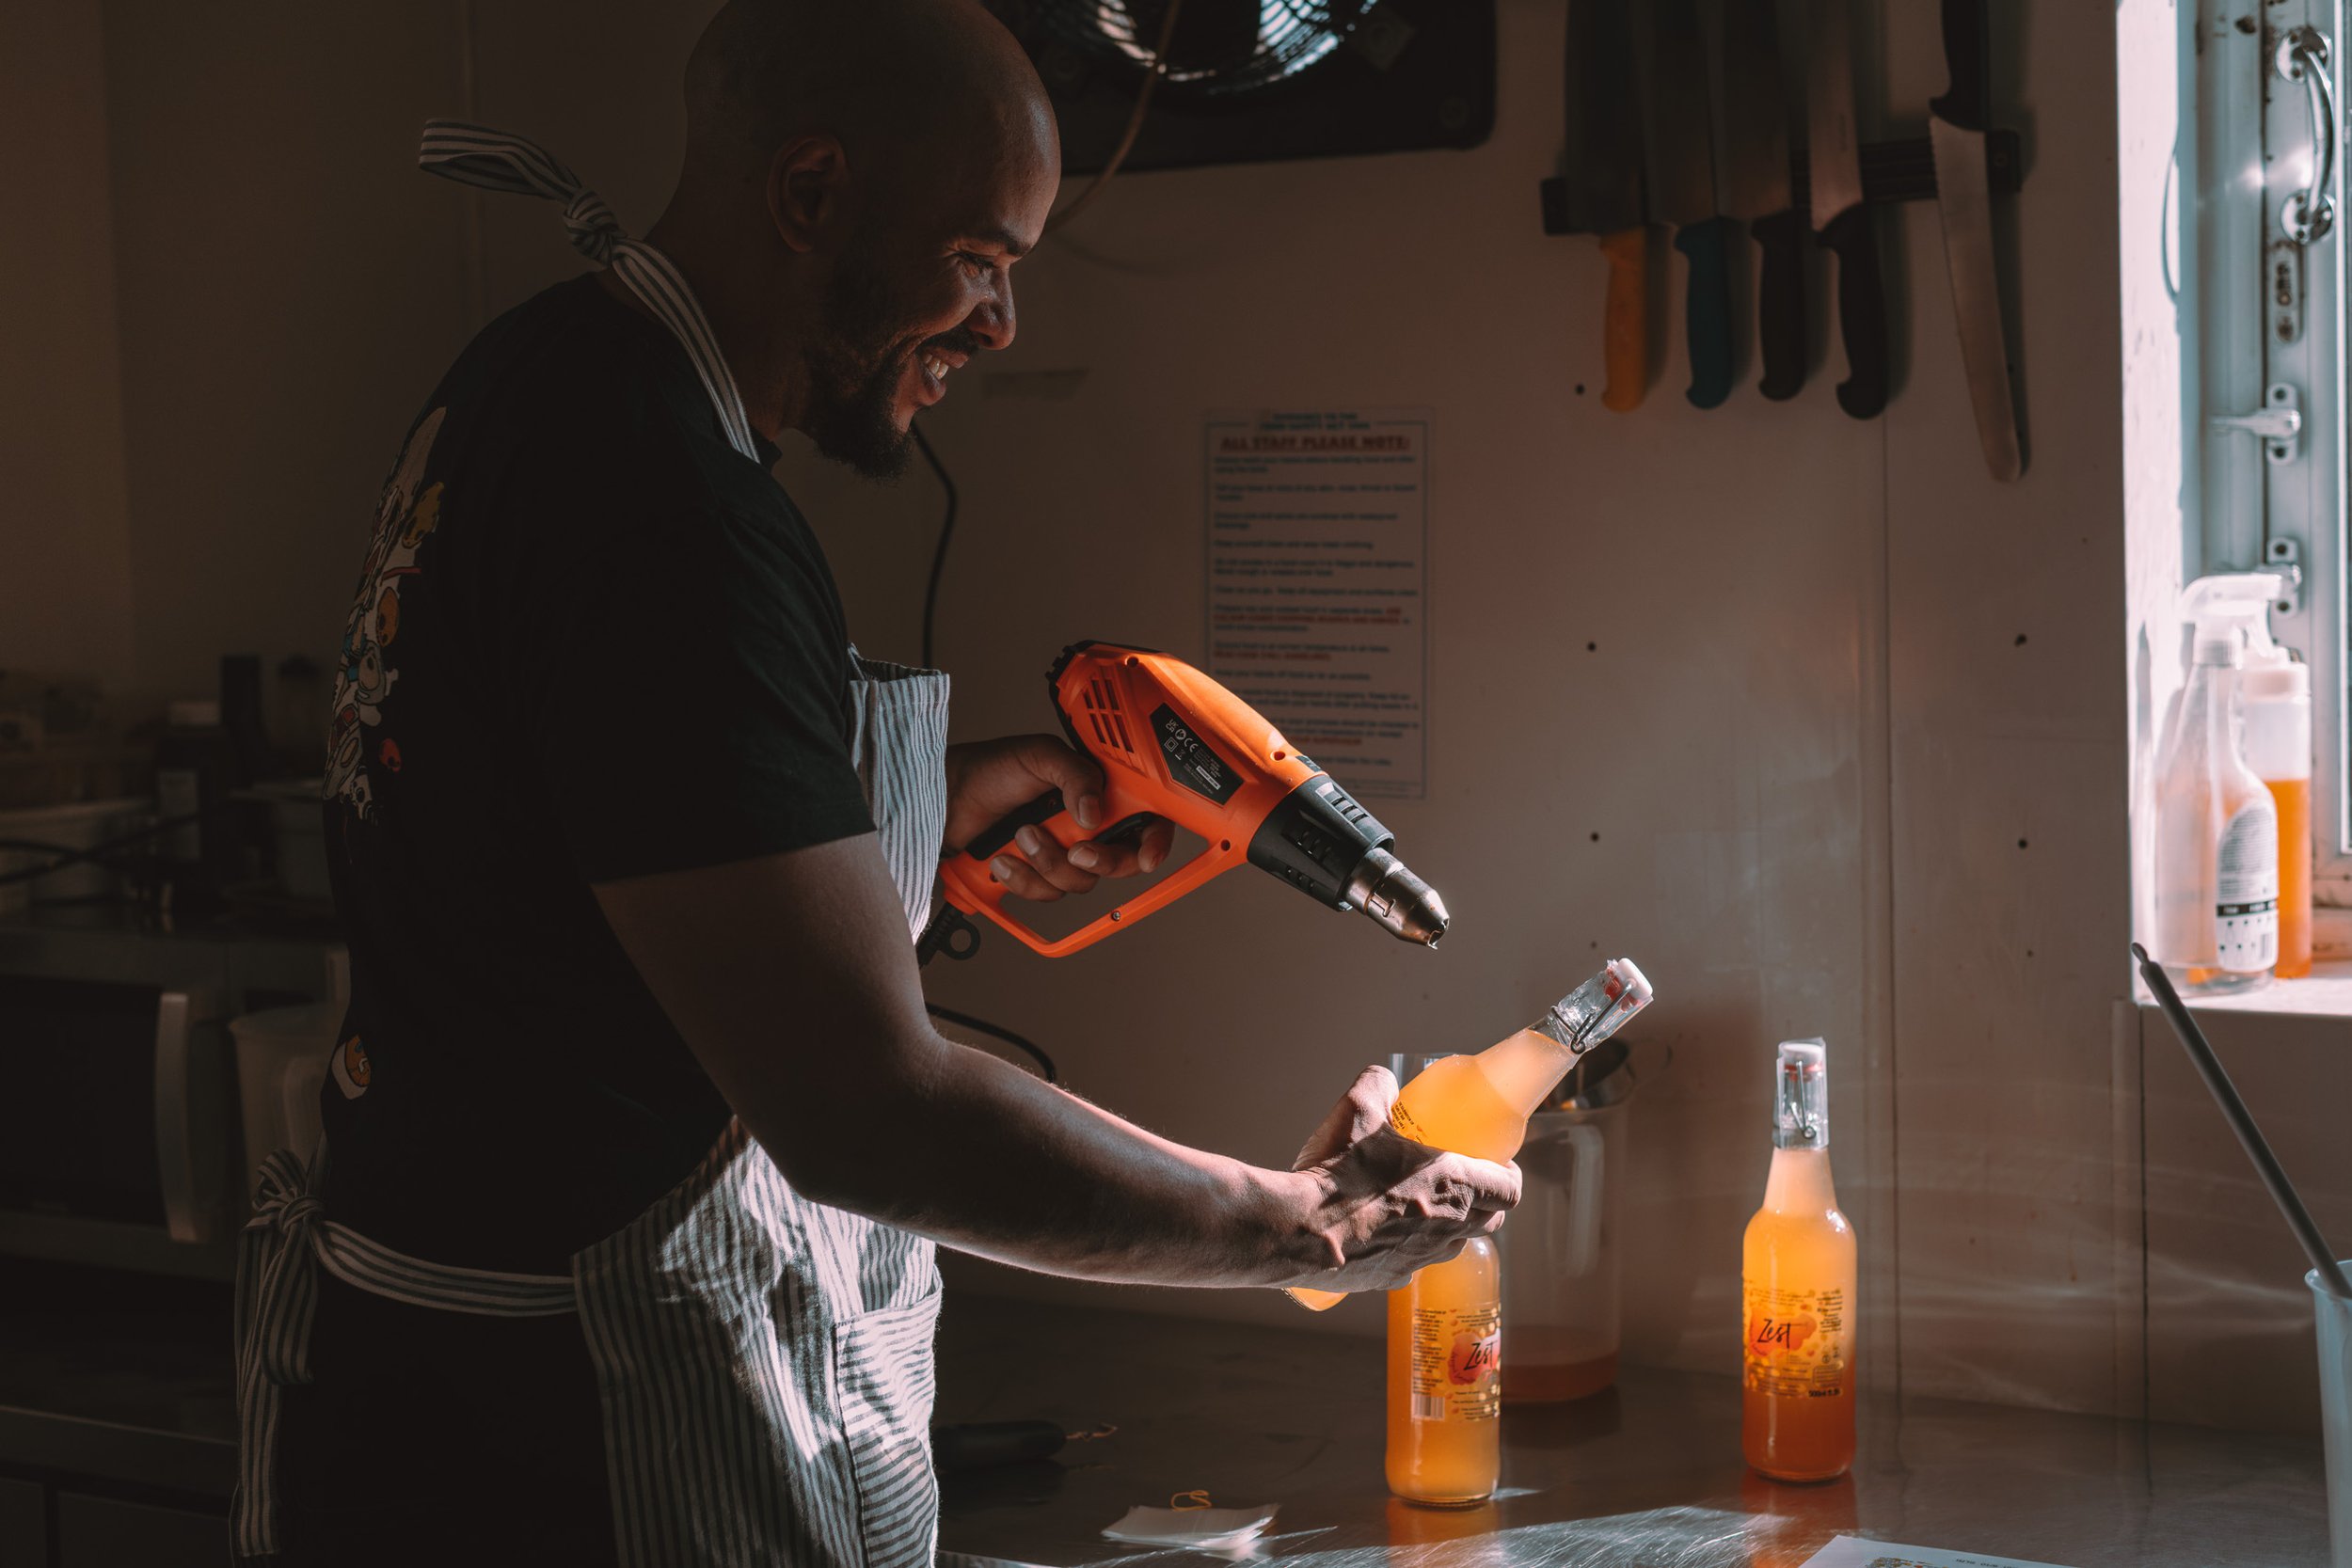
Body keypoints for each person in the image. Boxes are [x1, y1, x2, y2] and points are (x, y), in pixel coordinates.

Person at [232, 1, 1519, 1562]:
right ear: (813, 193)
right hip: (566, 1441)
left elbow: (567, 850)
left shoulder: (541, 375)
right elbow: (869, 1115)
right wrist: (1299, 1224)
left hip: (425, 1395)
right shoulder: (670, 509)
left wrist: (892, 829)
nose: (999, 327)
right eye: (981, 260)